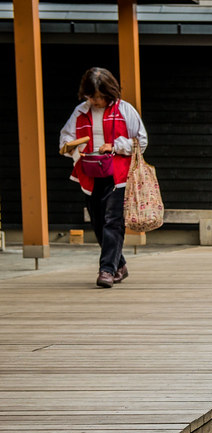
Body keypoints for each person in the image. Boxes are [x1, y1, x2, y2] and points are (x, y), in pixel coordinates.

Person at [59, 67, 148, 288]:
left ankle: (106, 270)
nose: (97, 101)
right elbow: (66, 138)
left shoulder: (125, 110)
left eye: (101, 96)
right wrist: (71, 148)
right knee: (98, 222)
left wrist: (116, 146)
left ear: (110, 92)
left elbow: (141, 141)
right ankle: (120, 265)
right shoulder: (80, 112)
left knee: (112, 221)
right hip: (89, 173)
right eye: (92, 96)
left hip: (118, 174)